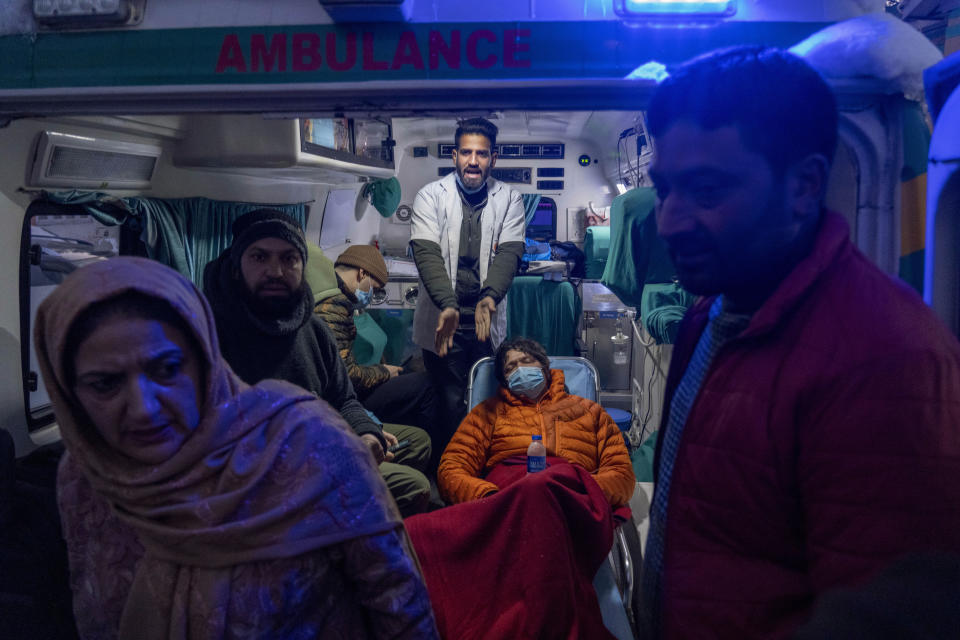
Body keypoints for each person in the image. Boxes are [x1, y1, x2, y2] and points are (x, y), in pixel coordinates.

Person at [640, 46, 960, 639]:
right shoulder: (713, 315)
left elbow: (889, 620)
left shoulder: (885, 360)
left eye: (706, 191)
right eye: (665, 191)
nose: (669, 222)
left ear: (805, 184)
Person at [33, 257, 438, 639]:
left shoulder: (309, 444)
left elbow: (400, 606)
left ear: (205, 362)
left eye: (168, 369)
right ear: (68, 393)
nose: (143, 408)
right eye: (105, 384)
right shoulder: (84, 476)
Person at [202, 208, 432, 517]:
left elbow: (343, 397)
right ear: (236, 266)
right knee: (414, 485)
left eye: (289, 259)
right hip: (261, 478)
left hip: (321, 444)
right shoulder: (208, 335)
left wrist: (365, 433)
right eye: (259, 257)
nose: (276, 271)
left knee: (418, 445)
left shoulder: (312, 329)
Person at [410, 117, 526, 461]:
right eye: (466, 153)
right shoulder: (430, 196)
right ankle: (447, 476)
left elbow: (509, 253)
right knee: (446, 402)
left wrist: (489, 298)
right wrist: (446, 303)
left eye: (481, 154)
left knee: (485, 403)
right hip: (441, 321)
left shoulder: (510, 198)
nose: (473, 161)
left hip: (483, 323)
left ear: (494, 158)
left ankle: (480, 471)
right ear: (454, 155)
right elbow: (426, 252)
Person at [438, 337, 634, 507]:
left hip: (573, 499)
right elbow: (451, 470)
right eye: (510, 367)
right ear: (504, 380)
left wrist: (584, 489)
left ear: (544, 367)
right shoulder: (487, 414)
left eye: (526, 361)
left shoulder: (591, 412)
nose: (520, 369)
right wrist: (487, 495)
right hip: (506, 501)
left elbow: (621, 475)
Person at [314, 244, 437, 432]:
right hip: (343, 400)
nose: (371, 295)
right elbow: (346, 376)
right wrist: (384, 372)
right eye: (374, 288)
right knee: (426, 385)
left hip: (347, 391)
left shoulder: (341, 299)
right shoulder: (333, 307)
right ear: (362, 274)